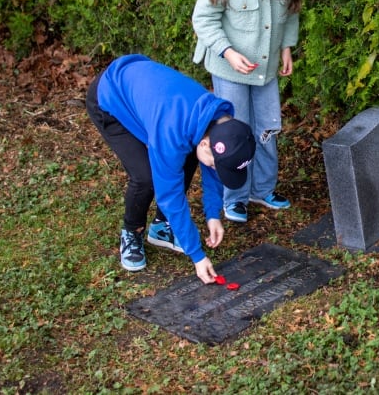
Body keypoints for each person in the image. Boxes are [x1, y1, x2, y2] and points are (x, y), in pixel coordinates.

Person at [85, 54, 256, 284]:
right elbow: (169, 195)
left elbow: (216, 163)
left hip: (145, 91)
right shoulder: (171, 131)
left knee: (192, 156)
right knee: (146, 176)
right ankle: (131, 232)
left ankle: (161, 228)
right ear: (206, 143)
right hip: (109, 97)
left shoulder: (221, 122)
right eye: (216, 163)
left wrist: (213, 214)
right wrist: (197, 255)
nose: (215, 167)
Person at [192, 0, 301, 223]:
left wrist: (286, 48)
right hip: (230, 68)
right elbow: (204, 20)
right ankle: (234, 197)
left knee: (267, 127)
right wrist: (227, 51)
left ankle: (262, 189)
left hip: (265, 70)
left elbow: (291, 11)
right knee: (234, 133)